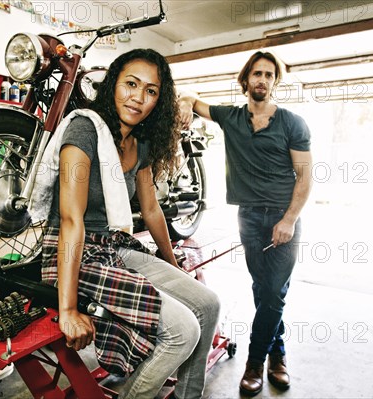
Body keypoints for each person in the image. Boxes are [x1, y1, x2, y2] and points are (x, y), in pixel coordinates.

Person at [37, 48, 221, 399]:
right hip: (74, 253)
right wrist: (68, 309)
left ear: (159, 100)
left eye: (150, 91)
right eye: (131, 84)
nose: (138, 98)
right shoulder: (84, 130)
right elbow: (71, 221)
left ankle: (188, 396)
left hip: (114, 247)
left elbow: (151, 209)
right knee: (182, 330)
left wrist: (172, 263)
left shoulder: (142, 142)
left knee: (208, 305)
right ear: (113, 86)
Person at [178, 51, 313, 396]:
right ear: (246, 80)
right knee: (263, 289)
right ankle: (278, 354)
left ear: (275, 82)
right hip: (249, 218)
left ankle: (256, 362)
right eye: (257, 73)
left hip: (283, 218)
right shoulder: (231, 117)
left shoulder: (292, 123)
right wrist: (184, 102)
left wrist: (289, 220)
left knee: (272, 293)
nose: (263, 80)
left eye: (269, 75)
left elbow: (305, 176)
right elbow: (194, 102)